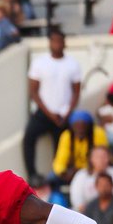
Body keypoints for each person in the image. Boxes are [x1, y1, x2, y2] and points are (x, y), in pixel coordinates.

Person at [22, 28, 81, 180]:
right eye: (54, 41)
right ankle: (32, 175)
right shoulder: (40, 63)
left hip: (64, 113)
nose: (57, 44)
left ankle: (59, 176)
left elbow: (76, 91)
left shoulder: (72, 64)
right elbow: (33, 92)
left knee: (62, 145)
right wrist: (49, 113)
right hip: (44, 113)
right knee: (29, 137)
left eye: (60, 41)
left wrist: (67, 111)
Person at [71, 145, 113, 213]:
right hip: (88, 215)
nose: (101, 160)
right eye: (97, 157)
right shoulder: (81, 175)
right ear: (91, 159)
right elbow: (77, 202)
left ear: (109, 158)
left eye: (104, 156)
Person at [51, 111, 106, 185]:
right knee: (51, 178)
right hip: (71, 171)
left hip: (93, 170)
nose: (80, 130)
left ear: (89, 127)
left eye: (83, 126)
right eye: (76, 126)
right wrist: (63, 173)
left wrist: (81, 171)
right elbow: (60, 160)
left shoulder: (98, 133)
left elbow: (102, 157)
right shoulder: (67, 136)